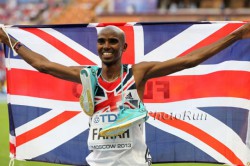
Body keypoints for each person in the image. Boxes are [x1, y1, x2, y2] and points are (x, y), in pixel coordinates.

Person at [0, 23, 250, 166]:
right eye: (102, 42)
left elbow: (189, 60)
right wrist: (11, 40)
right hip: (97, 163)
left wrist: (236, 36)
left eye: (112, 41)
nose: (106, 46)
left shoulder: (138, 73)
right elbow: (44, 65)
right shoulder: (88, 75)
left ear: (123, 46)